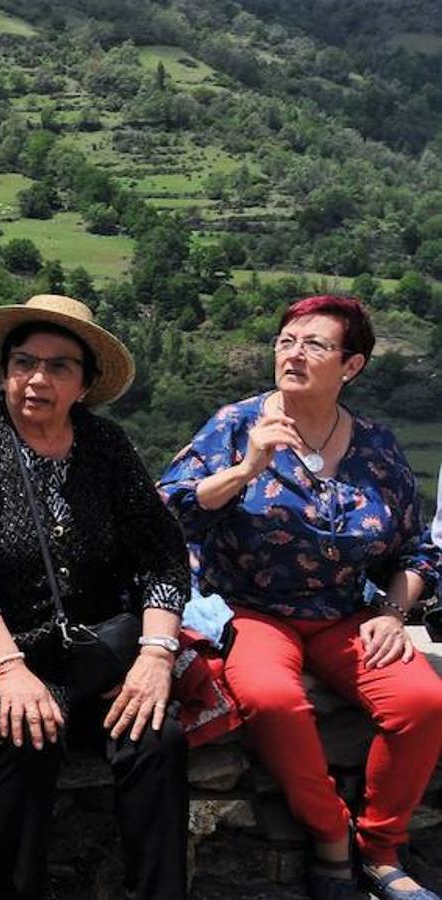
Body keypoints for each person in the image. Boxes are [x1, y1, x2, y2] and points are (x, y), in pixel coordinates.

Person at [159, 295, 442, 900]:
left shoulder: (378, 447)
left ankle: (381, 848)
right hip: (251, 608)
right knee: (270, 697)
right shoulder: (236, 424)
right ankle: (331, 836)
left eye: (315, 344)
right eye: (286, 341)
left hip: (347, 612)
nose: (293, 353)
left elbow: (417, 552)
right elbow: (167, 510)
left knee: (421, 701)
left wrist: (394, 611)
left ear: (352, 366)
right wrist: (246, 469)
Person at [0, 294, 191, 900]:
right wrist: (10, 668)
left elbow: (163, 553)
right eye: (24, 362)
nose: (37, 379)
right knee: (23, 737)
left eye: (58, 366)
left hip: (99, 655)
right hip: (7, 654)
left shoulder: (105, 447)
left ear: (85, 383)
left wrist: (154, 656)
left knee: (158, 738)